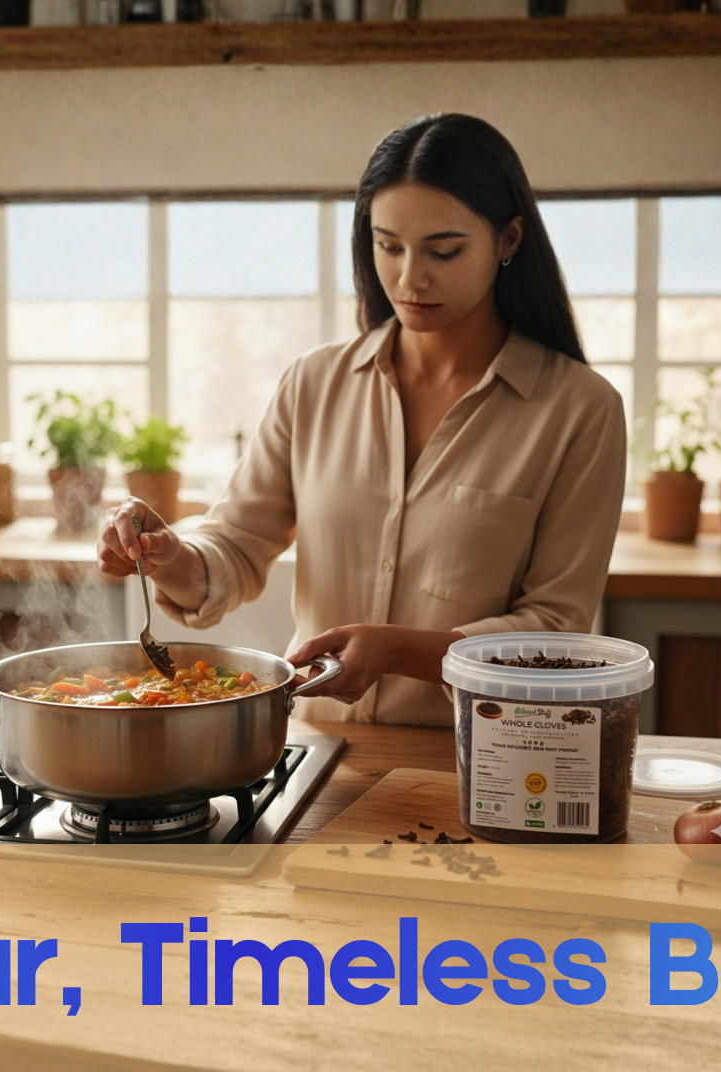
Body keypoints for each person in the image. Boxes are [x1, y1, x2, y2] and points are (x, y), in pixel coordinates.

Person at [97, 113, 628, 726]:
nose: (409, 277)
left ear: (508, 240)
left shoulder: (580, 411)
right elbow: (237, 546)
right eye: (388, 245)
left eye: (444, 250)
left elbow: (556, 630)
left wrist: (400, 650)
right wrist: (170, 556)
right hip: (313, 760)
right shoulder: (314, 383)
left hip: (476, 767)